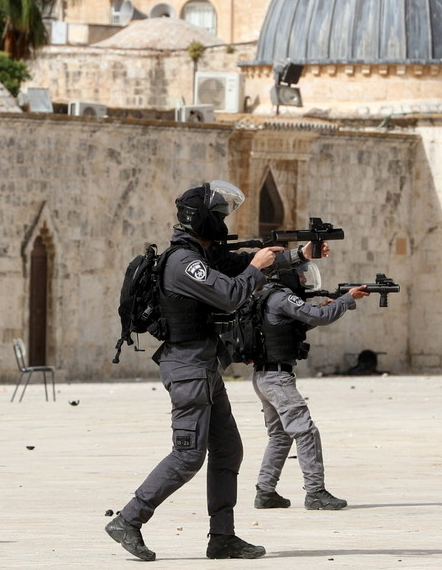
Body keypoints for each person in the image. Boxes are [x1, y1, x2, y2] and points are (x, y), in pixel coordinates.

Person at [105, 181, 326, 561]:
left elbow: (239, 265)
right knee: (188, 454)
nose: (224, 222)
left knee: (228, 451)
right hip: (187, 368)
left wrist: (299, 255)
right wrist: (258, 268)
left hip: (204, 365)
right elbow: (231, 292)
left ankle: (222, 537)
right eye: (220, 215)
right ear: (203, 219)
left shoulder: (201, 255)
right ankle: (129, 519)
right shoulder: (183, 262)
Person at [249, 262, 368, 511]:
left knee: (280, 436)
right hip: (278, 379)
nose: (303, 279)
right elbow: (319, 317)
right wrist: (346, 299)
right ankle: (315, 492)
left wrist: (330, 305)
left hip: (264, 376)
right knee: (305, 432)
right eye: (300, 275)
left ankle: (265, 491)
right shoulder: (282, 297)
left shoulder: (265, 297)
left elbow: (294, 326)